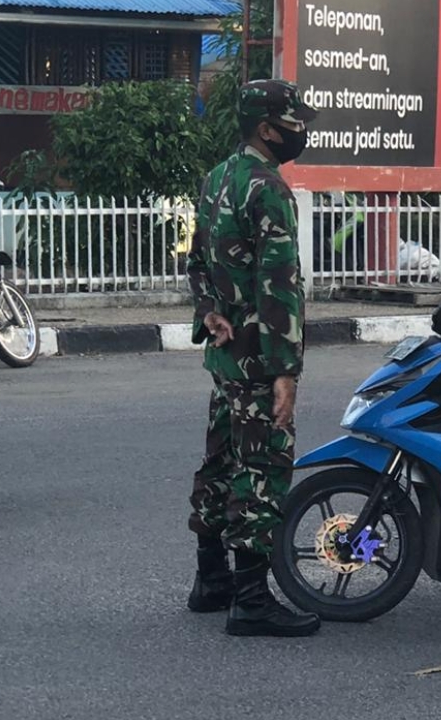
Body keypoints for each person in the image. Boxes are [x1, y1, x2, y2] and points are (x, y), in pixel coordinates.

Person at [185, 79, 321, 637]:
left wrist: (209, 312)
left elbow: (196, 261)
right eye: (294, 123)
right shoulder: (268, 188)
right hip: (259, 358)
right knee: (262, 469)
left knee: (221, 462)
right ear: (268, 128)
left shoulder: (219, 178)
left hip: (224, 357)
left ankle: (210, 580)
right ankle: (250, 601)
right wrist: (286, 370)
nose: (301, 132)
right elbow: (279, 286)